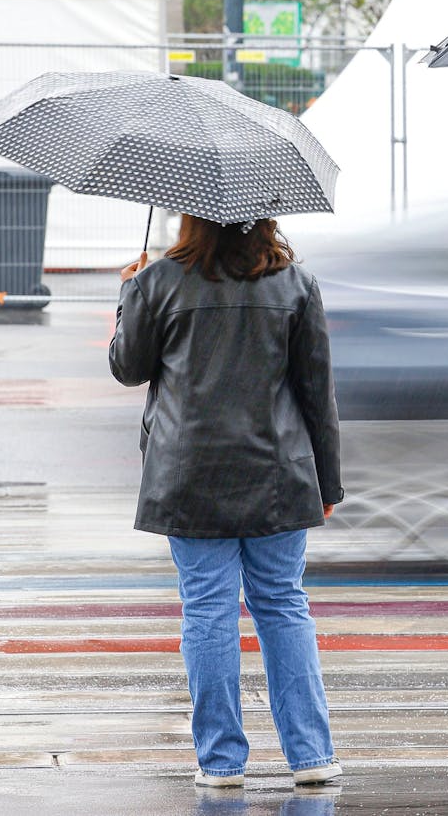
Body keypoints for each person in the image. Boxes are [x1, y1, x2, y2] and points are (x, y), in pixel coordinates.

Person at [109, 214, 343, 789]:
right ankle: (311, 756)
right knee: (283, 604)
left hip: (189, 476)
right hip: (278, 475)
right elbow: (318, 393)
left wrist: (128, 294)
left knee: (207, 611)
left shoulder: (158, 282)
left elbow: (126, 367)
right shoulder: (295, 285)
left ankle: (221, 763)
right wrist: (327, 484)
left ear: (190, 218)